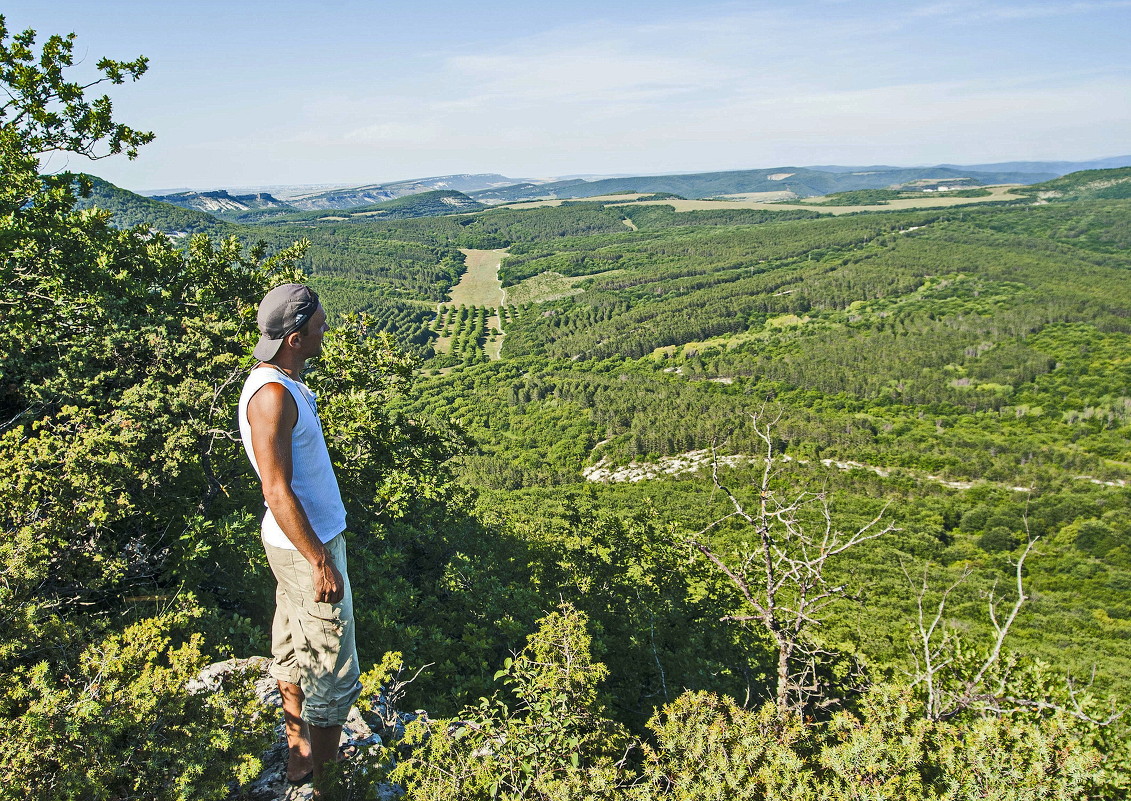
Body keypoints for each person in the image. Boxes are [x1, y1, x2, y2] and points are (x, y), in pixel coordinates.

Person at [237, 283, 362, 788]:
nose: (325, 330)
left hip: (292, 544)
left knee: (289, 644)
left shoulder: (278, 379)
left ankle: (299, 753)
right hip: (304, 548)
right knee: (331, 667)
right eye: (318, 325)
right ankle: (329, 783)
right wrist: (319, 561)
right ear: (294, 337)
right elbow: (276, 489)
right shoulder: (272, 396)